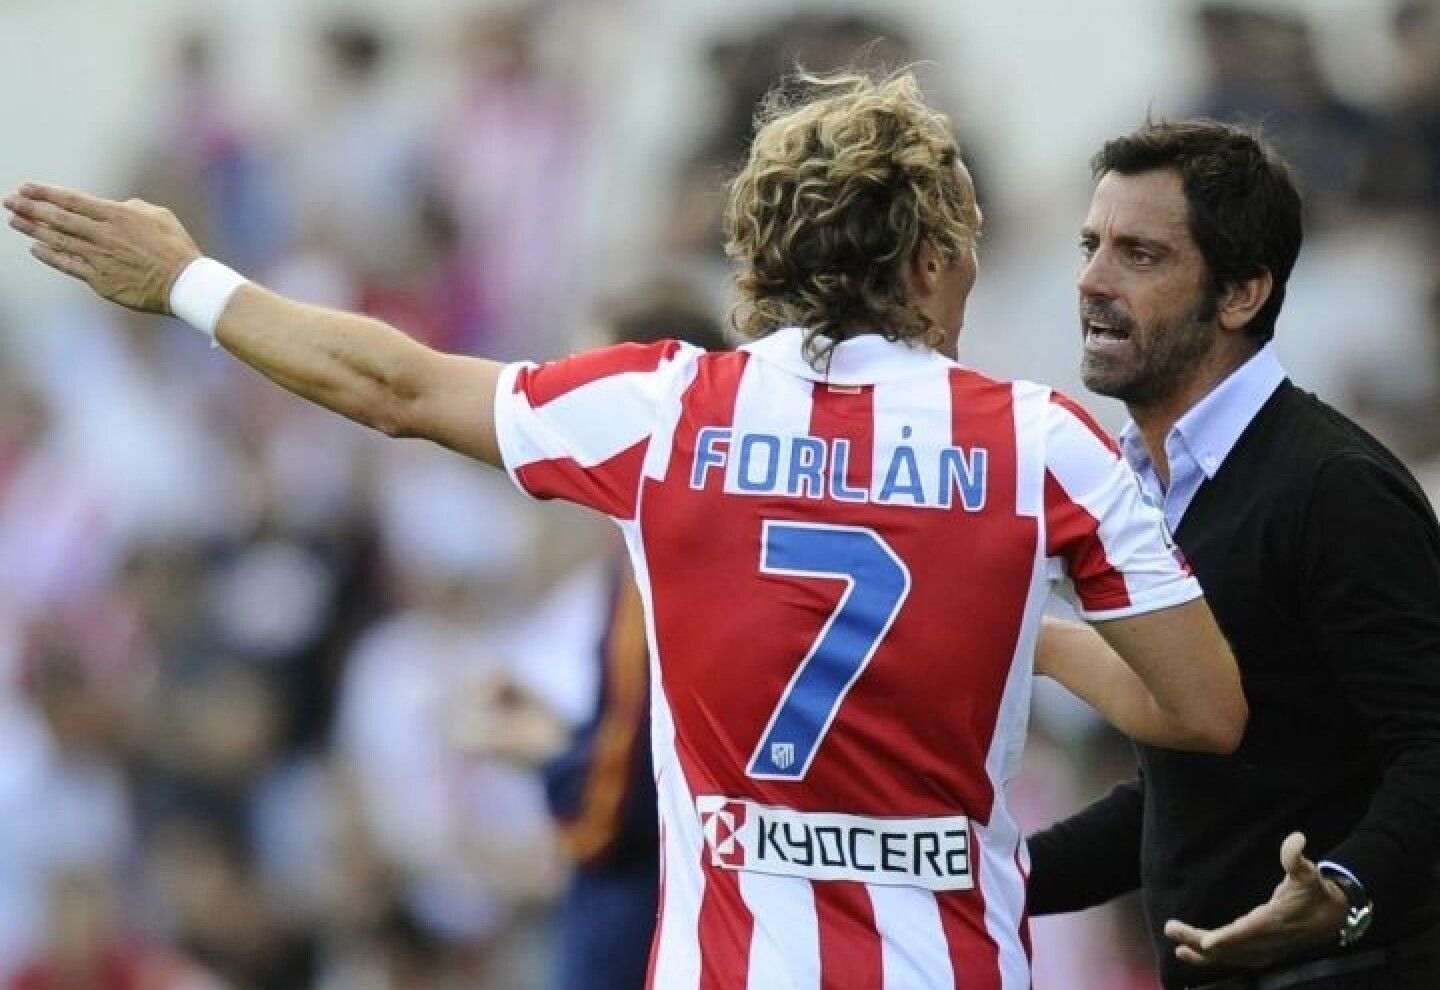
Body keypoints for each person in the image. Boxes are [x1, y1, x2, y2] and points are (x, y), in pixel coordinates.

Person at [6, 69, 1245, 989]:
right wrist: (1023, 627)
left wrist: (184, 279)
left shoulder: (666, 408)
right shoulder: (1039, 443)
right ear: (924, 262)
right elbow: (1204, 713)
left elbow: (391, 385)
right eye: (965, 246)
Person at [1026, 118, 1440, 989]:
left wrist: (1345, 889)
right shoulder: (1142, 491)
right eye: (1090, 245)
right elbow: (1187, 797)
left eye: (1139, 255)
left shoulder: (1334, 487)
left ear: (1242, 293)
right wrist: (988, 879)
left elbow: (1430, 746)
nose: (1092, 281)